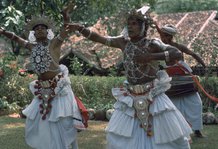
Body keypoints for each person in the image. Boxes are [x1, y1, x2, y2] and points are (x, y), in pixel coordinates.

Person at [67, 6, 192, 149]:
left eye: (134, 24)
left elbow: (176, 53)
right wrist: (80, 28)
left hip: (153, 96)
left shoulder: (152, 43)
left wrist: (150, 56)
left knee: (165, 138)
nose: (130, 27)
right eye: (129, 24)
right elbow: (100, 38)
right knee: (119, 138)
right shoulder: (123, 42)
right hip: (130, 96)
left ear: (143, 26)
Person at [0, 7, 86, 149]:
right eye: (37, 28)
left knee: (63, 123)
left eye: (42, 28)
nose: (40, 30)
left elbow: (66, 29)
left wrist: (66, 16)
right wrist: (3, 32)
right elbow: (16, 38)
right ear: (33, 33)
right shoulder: (32, 47)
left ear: (48, 32)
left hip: (59, 89)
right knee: (40, 124)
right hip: (42, 90)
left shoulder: (54, 43)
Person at [156, 23, 205, 138]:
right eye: (162, 36)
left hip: (185, 78)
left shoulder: (179, 46)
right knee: (172, 105)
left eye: (166, 36)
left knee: (196, 103)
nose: (164, 39)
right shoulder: (158, 48)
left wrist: (203, 65)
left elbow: (193, 54)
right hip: (170, 80)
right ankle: (174, 131)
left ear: (171, 37)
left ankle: (197, 130)